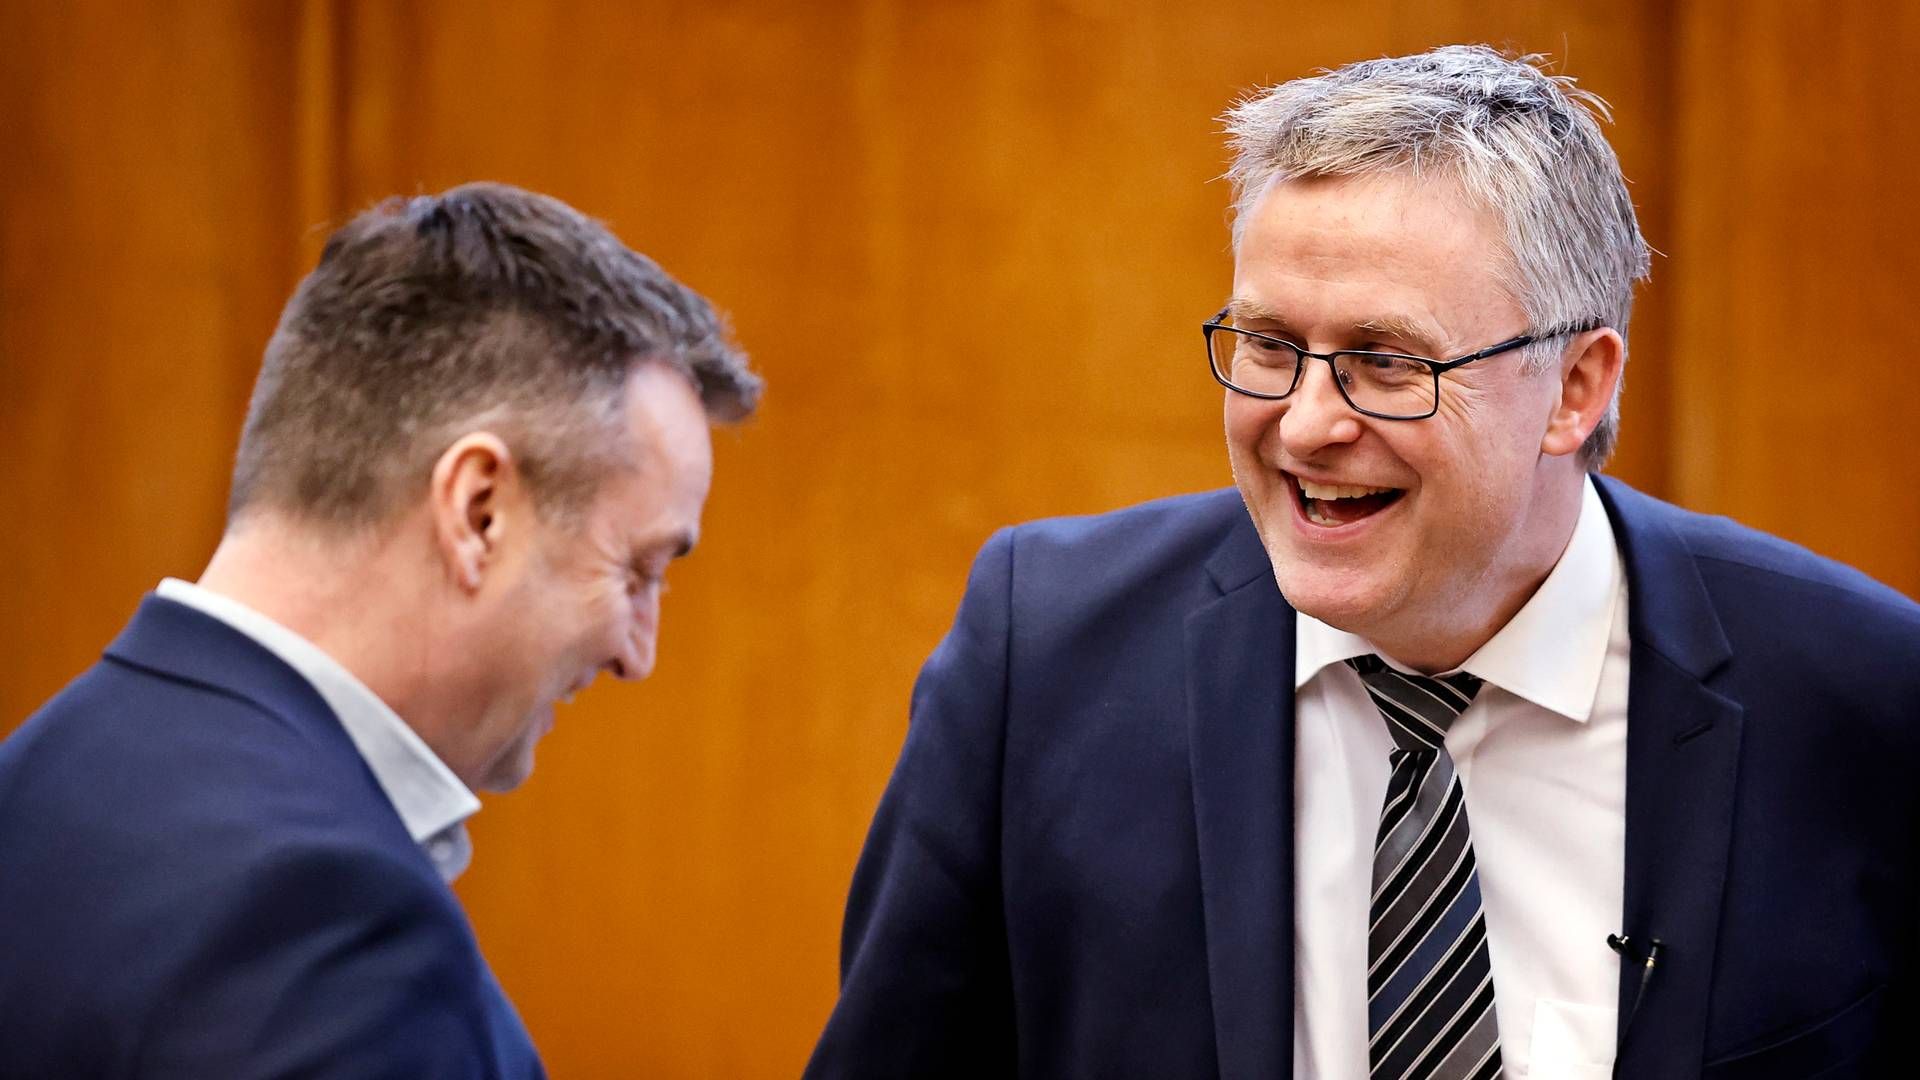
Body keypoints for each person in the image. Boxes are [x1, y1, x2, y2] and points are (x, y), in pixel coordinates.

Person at [806, 45, 1920, 1080]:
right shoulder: (1044, 654)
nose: (1302, 425)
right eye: (1270, 346)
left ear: (1575, 388)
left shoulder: (1863, 692)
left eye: (1387, 362)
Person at [0, 182, 760, 1077]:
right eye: (637, 569)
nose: (639, 652)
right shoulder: (329, 921)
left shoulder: (34, 780)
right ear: (478, 512)